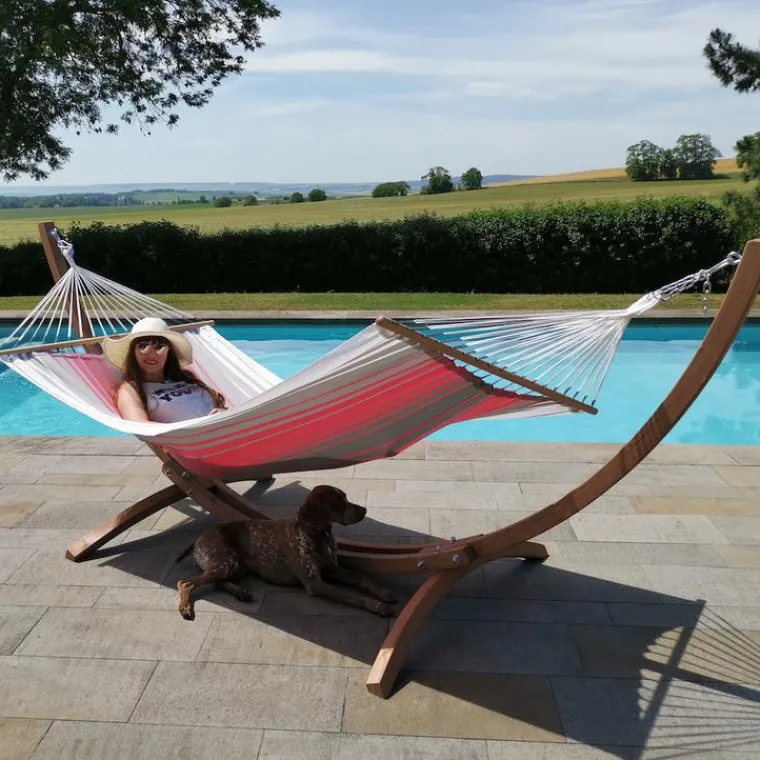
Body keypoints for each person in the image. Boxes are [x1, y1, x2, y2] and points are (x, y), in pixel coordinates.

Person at [102, 317, 227, 423]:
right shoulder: (131, 390)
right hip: (196, 437)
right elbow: (141, 426)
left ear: (169, 352)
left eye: (160, 347)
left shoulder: (186, 377)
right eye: (143, 346)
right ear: (133, 352)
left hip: (223, 427)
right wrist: (203, 424)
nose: (151, 354)